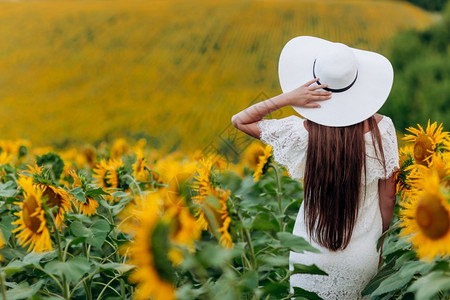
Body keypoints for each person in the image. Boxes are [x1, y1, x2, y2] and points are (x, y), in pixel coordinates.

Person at [231, 36, 399, 299]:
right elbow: (389, 196)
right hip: (363, 255)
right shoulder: (383, 130)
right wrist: (380, 244)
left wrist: (289, 97)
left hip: (309, 253)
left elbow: (240, 120)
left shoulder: (302, 134)